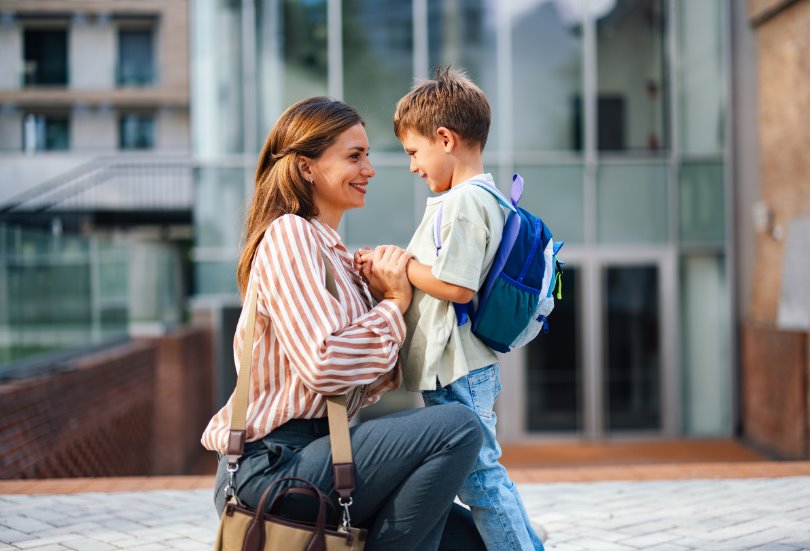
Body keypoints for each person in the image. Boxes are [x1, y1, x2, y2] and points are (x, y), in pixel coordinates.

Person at [201, 96, 486, 550]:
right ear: (305, 167)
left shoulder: (333, 254)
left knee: (475, 540)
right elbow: (325, 364)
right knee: (458, 427)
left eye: (367, 156)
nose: (370, 169)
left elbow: (369, 380)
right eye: (354, 156)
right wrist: (392, 303)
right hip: (275, 467)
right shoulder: (289, 234)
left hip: (326, 458)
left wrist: (380, 296)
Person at [357, 68, 544, 550]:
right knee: (487, 477)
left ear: (445, 138)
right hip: (462, 364)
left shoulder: (463, 203)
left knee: (481, 482)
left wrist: (393, 264)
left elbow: (457, 288)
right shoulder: (482, 198)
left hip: (456, 366)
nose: (414, 167)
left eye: (414, 153)